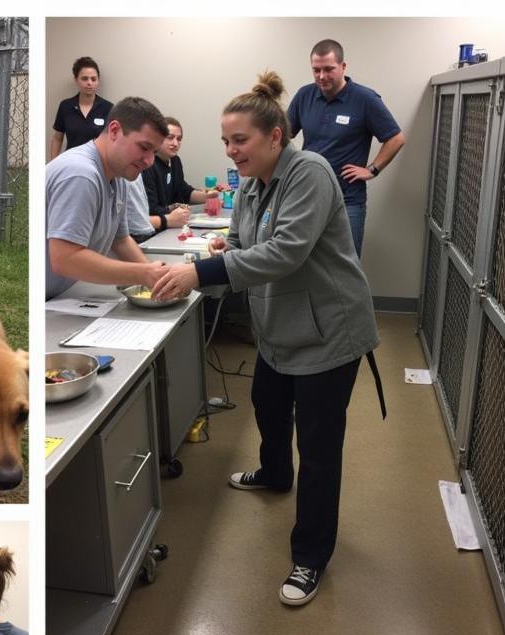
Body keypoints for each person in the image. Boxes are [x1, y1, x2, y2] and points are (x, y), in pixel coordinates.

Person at [151, 72, 385, 606]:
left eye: (241, 140)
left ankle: (310, 557)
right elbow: (237, 239)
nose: (231, 151)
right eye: (227, 140)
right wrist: (211, 259)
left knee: (320, 449)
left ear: (275, 136)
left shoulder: (310, 173)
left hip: (329, 333)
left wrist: (200, 274)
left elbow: (284, 253)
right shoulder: (254, 183)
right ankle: (276, 473)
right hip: (280, 329)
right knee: (267, 404)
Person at [286, 39, 405, 257]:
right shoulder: (305, 96)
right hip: (308, 197)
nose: (322, 76)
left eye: (329, 69)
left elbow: (396, 138)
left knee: (346, 265)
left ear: (343, 67)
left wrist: (372, 169)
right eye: (316, 70)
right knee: (307, 261)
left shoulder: (365, 99)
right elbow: (283, 136)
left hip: (348, 201)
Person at [46, 96, 169, 300]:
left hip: (63, 296)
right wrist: (143, 274)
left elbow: (120, 240)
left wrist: (158, 277)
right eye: (144, 147)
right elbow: (64, 258)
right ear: (114, 131)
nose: (149, 161)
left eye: (154, 152)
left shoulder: (118, 176)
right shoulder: (80, 174)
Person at [141, 117, 212, 233]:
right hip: (154, 229)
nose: (175, 143)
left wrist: (208, 196)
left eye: (179, 139)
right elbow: (150, 209)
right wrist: (171, 209)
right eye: (170, 138)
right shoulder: (148, 165)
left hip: (172, 226)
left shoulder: (175, 161)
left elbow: (183, 190)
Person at [50, 57, 113, 160]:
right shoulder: (65, 106)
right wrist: (52, 165)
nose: (89, 83)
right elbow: (57, 138)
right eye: (84, 78)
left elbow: (112, 141)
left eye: (93, 79)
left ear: (98, 81)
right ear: (76, 80)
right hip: (71, 163)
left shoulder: (108, 108)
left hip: (98, 165)